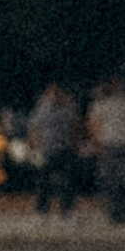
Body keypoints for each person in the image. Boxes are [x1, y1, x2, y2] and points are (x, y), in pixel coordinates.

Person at [88, 75, 125, 227]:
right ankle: (114, 213)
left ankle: (122, 212)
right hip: (108, 145)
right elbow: (94, 124)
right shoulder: (100, 103)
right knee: (109, 180)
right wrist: (97, 142)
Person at [27, 77, 82, 219]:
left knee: (68, 182)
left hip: (66, 149)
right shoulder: (42, 108)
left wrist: (75, 145)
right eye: (52, 92)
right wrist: (35, 148)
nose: (55, 95)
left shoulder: (70, 108)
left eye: (58, 92)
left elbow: (75, 127)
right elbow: (34, 129)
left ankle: (67, 209)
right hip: (45, 150)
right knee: (43, 181)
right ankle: (42, 209)